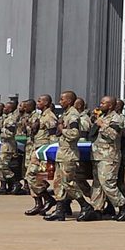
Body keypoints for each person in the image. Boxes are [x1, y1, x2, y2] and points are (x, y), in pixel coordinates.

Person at [44, 91, 89, 220]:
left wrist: (62, 129)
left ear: (69, 101)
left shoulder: (73, 115)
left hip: (69, 154)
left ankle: (86, 206)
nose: (60, 102)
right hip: (62, 153)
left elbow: (75, 133)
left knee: (69, 183)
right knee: (59, 183)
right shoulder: (66, 114)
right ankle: (60, 210)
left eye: (62, 99)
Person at [87, 96, 125, 221]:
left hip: (109, 156)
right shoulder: (102, 117)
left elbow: (113, 135)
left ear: (110, 105)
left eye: (103, 103)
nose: (100, 105)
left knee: (107, 183)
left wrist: (103, 125)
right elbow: (92, 135)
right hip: (97, 155)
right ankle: (97, 208)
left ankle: (124, 205)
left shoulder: (117, 118)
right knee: (97, 185)